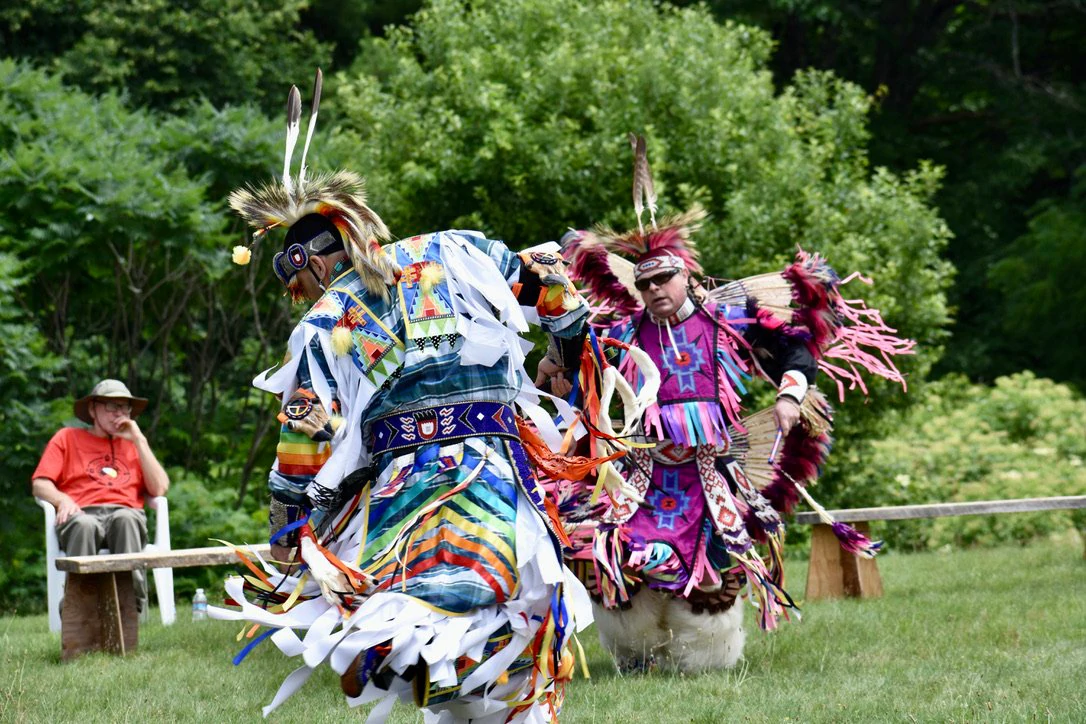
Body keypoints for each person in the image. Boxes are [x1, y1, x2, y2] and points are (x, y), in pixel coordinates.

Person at [211, 73, 607, 723]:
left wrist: (285, 532)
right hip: (498, 481)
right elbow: (554, 285)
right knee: (502, 649)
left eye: (300, 284)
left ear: (312, 264)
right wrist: (566, 356)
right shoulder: (456, 250)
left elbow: (302, 444)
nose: (307, 298)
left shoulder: (323, 320)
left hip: (405, 500)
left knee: (434, 644)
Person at [548, 137, 909, 674]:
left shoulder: (727, 321)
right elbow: (570, 361)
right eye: (644, 283)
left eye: (663, 279)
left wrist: (789, 395)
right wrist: (555, 364)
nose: (654, 291)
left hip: (711, 472)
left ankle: (705, 663)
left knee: (714, 570)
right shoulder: (619, 334)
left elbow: (795, 346)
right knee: (612, 560)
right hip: (639, 470)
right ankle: (637, 656)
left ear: (686, 276)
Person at [31, 378, 170, 611]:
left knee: (125, 520)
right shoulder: (67, 438)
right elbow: (40, 484)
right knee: (85, 525)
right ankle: (80, 614)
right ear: (92, 409)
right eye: (111, 406)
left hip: (126, 514)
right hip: (81, 514)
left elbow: (159, 489)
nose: (119, 413)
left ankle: (130, 612)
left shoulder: (135, 445)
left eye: (125, 407)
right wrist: (62, 499)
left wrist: (139, 439)